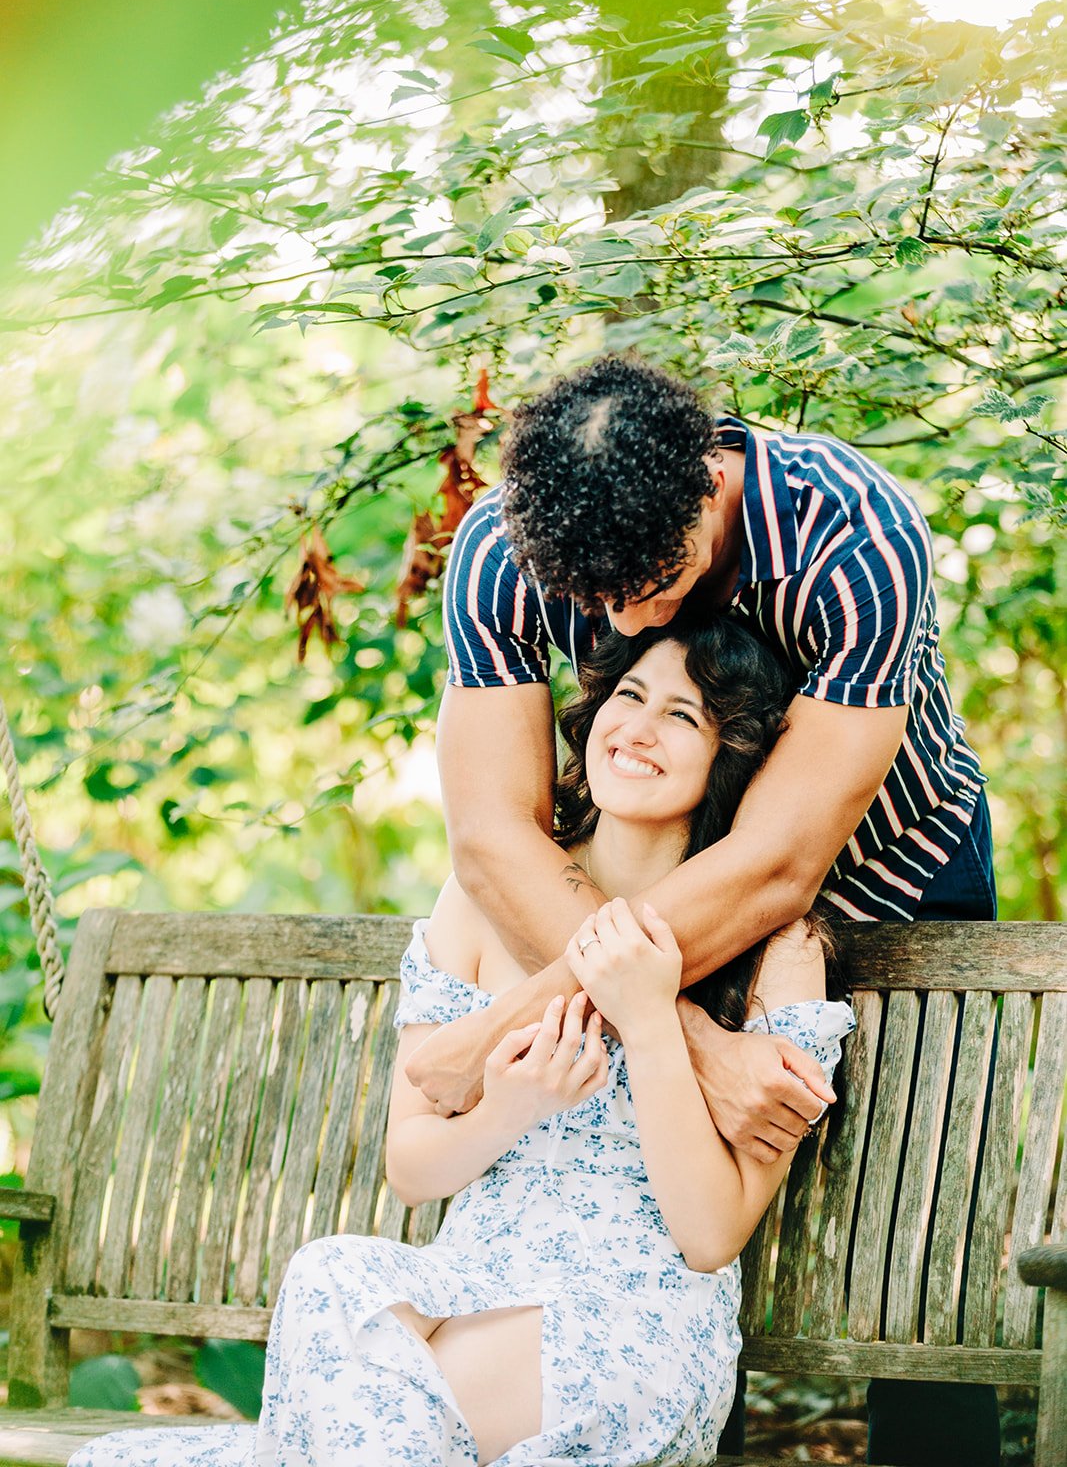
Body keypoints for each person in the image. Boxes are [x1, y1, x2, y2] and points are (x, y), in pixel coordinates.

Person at [69, 615, 854, 1467]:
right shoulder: (484, 897)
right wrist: (511, 1107)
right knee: (333, 1276)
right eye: (628, 695)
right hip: (468, 1284)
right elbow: (413, 1170)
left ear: (728, 756)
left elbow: (708, 1237)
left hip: (631, 1320)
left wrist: (650, 1017)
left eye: (682, 715)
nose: (637, 728)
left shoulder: (777, 946)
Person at [414, 354, 998, 1465]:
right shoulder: (503, 548)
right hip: (631, 901)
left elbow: (779, 865)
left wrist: (502, 1025)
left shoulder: (852, 534)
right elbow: (493, 835)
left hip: (893, 871)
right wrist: (690, 1039)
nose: (631, 614)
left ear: (708, 482)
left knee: (918, 1234)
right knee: (672, 1182)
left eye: (654, 575)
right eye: (597, 602)